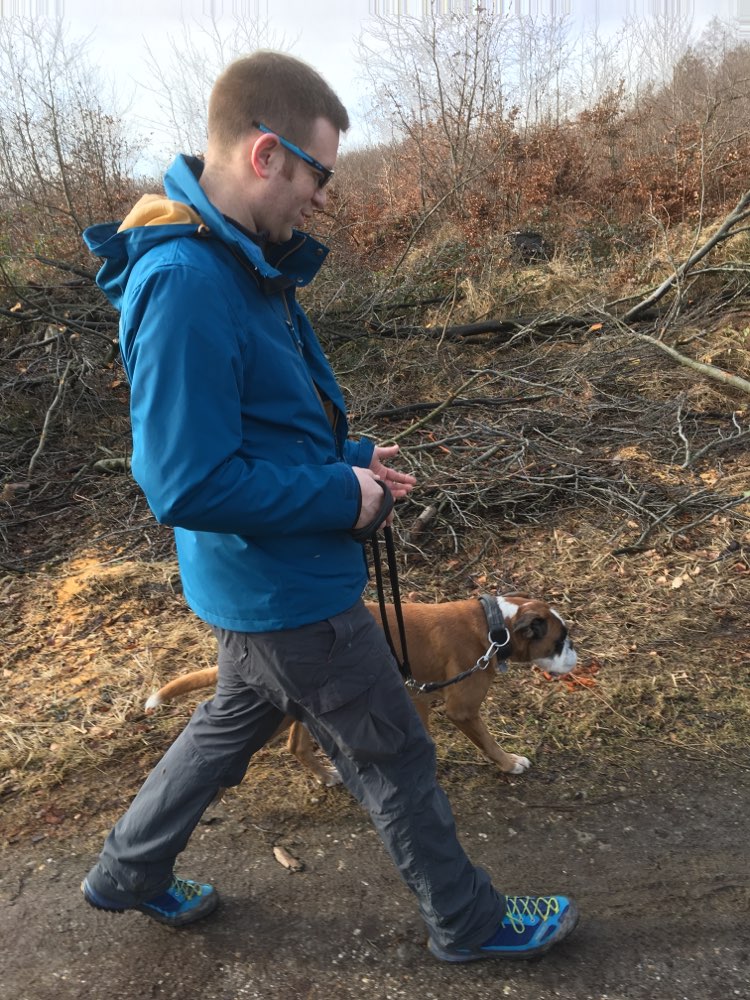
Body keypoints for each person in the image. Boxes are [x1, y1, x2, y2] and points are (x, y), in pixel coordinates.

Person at [80, 51, 578, 962]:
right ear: (267, 153)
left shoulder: (240, 266)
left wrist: (352, 461)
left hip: (264, 585)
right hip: (289, 594)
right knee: (396, 754)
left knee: (225, 732)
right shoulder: (187, 282)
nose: (322, 198)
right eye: (320, 174)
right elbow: (182, 481)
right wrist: (339, 494)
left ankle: (126, 872)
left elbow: (258, 427)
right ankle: (468, 922)